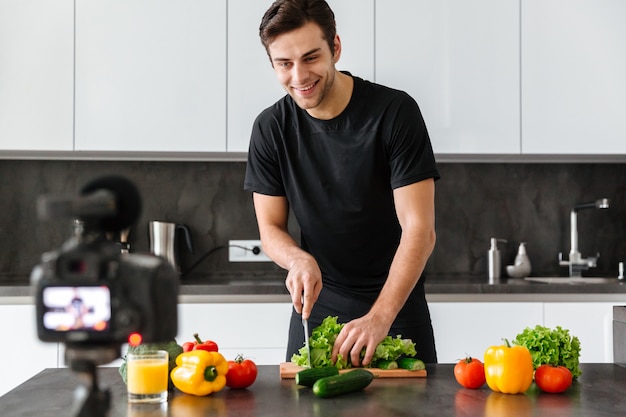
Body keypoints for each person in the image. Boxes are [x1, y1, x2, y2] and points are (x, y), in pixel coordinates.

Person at [244, 0, 440, 366]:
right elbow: (270, 228)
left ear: (335, 47)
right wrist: (297, 259)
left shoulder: (395, 114)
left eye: (311, 57)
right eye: (284, 64)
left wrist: (381, 317)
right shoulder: (270, 129)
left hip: (397, 306)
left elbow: (420, 229)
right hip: (319, 308)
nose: (299, 76)